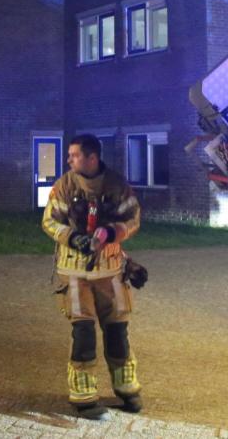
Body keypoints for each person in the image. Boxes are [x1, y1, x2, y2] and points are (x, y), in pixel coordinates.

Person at [41, 134, 142, 418]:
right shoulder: (64, 186)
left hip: (111, 271)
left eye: (74, 155)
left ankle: (128, 391)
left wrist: (111, 232)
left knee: (118, 333)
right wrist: (74, 238)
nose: (69, 160)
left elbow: (132, 217)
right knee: (83, 333)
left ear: (91, 158)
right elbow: (49, 220)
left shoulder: (117, 186)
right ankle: (84, 398)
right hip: (73, 272)